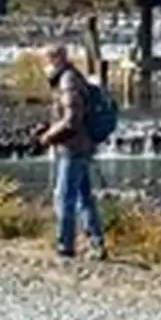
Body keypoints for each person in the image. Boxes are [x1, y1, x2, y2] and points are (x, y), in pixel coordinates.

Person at [33, 43, 106, 261]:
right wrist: (49, 127)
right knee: (84, 198)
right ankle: (96, 243)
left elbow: (72, 120)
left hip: (72, 148)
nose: (45, 66)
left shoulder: (67, 81)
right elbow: (68, 116)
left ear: (57, 59)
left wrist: (48, 137)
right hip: (80, 146)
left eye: (47, 60)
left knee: (64, 197)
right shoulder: (71, 77)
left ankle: (65, 246)